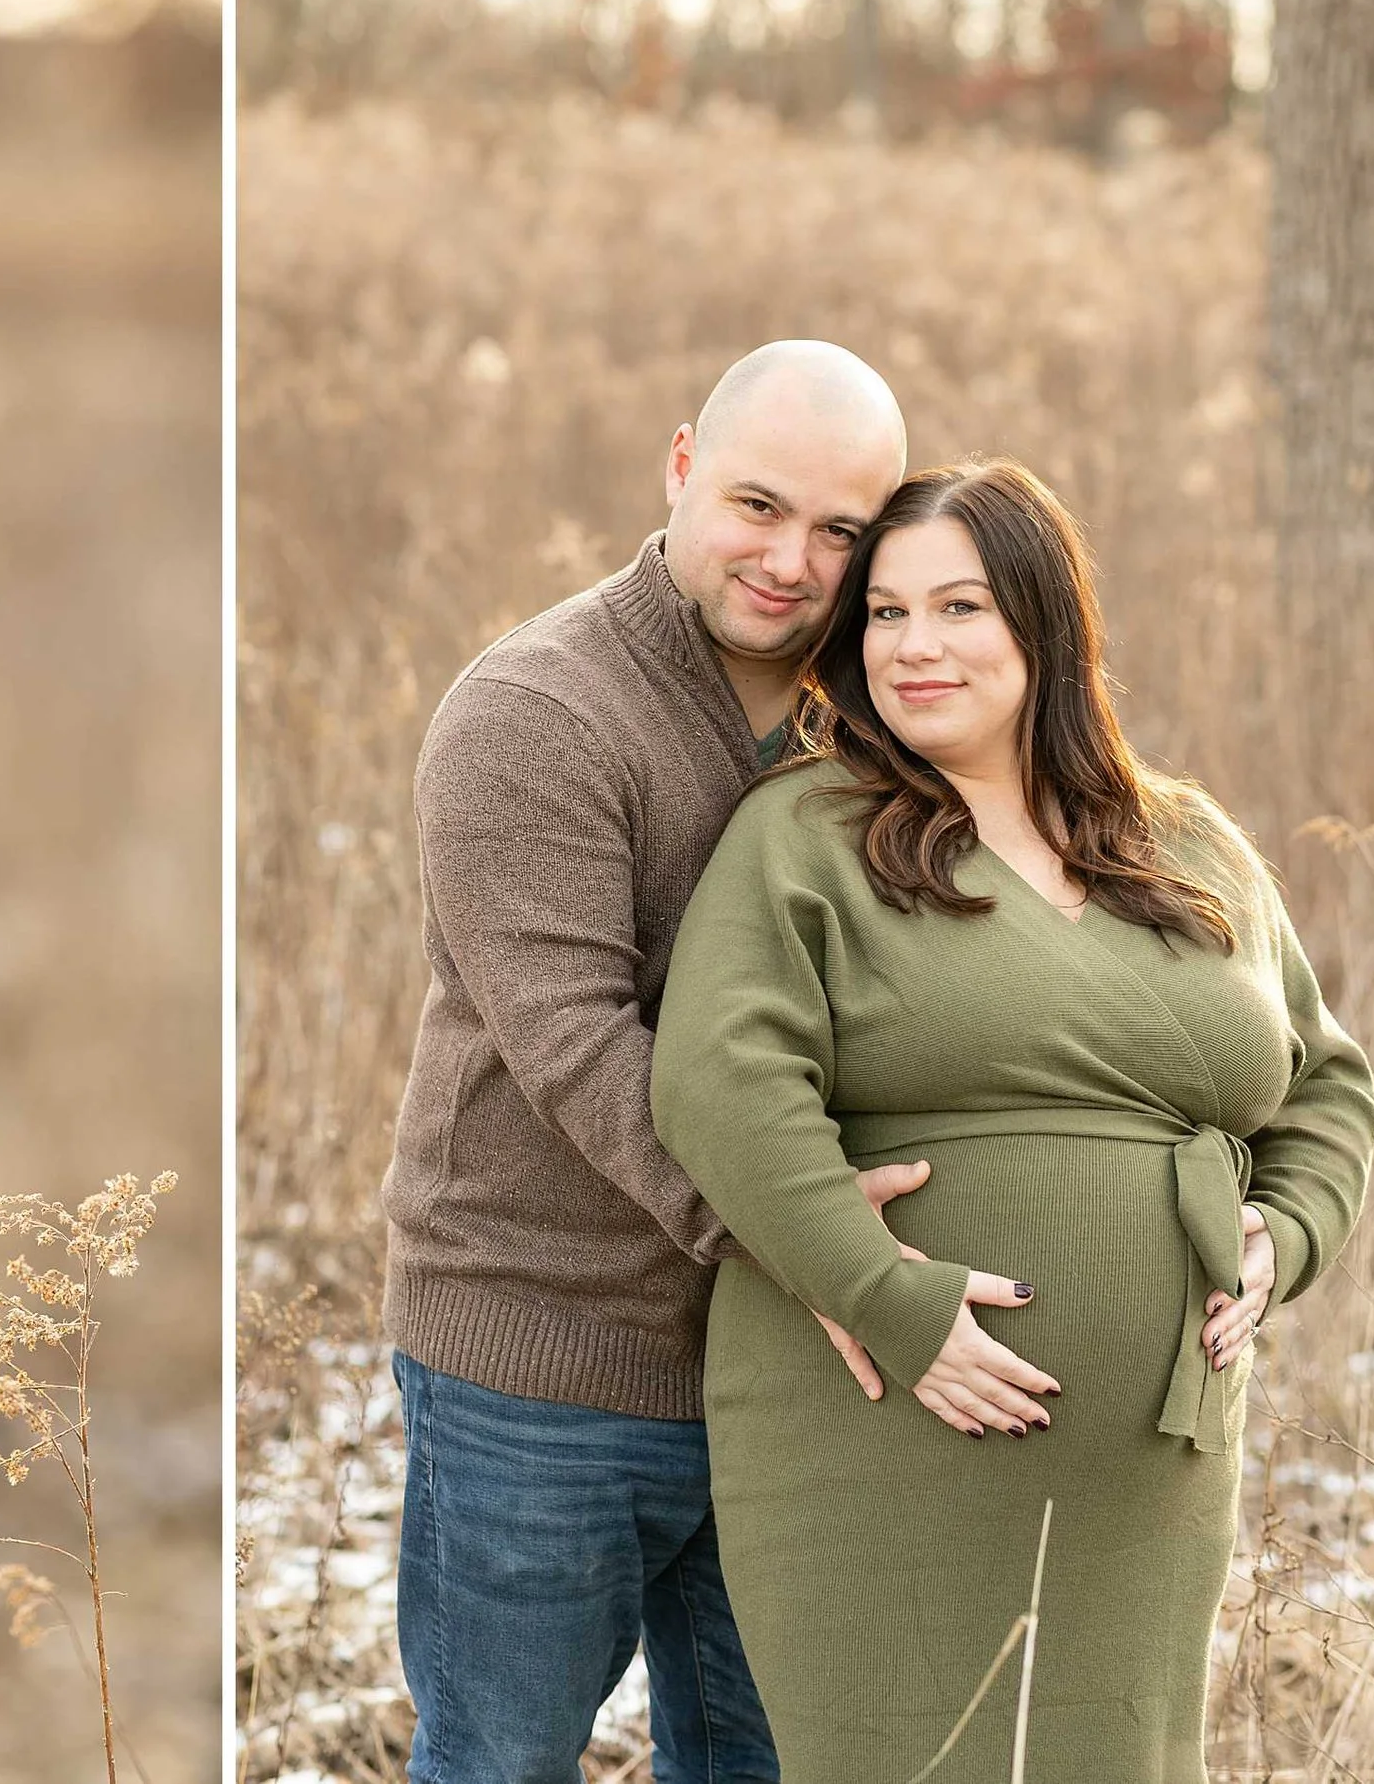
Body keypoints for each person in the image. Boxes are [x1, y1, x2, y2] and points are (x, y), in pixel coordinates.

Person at [652, 459, 1374, 1782]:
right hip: (882, 1438)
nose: (915, 646)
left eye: (961, 607)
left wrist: (1286, 1229)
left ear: (1044, 625)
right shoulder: (808, 834)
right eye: (882, 613)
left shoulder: (1186, 845)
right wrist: (884, 1290)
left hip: (1147, 1479)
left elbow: (1326, 1083)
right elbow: (719, 1080)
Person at [384, 341, 947, 1784]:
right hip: (544, 1355)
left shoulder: (887, 712)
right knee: (502, 1762)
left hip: (791, 1378)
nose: (791, 561)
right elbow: (581, 1050)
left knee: (772, 1762)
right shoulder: (534, 712)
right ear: (682, 461)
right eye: (758, 505)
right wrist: (818, 1244)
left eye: (840, 529)